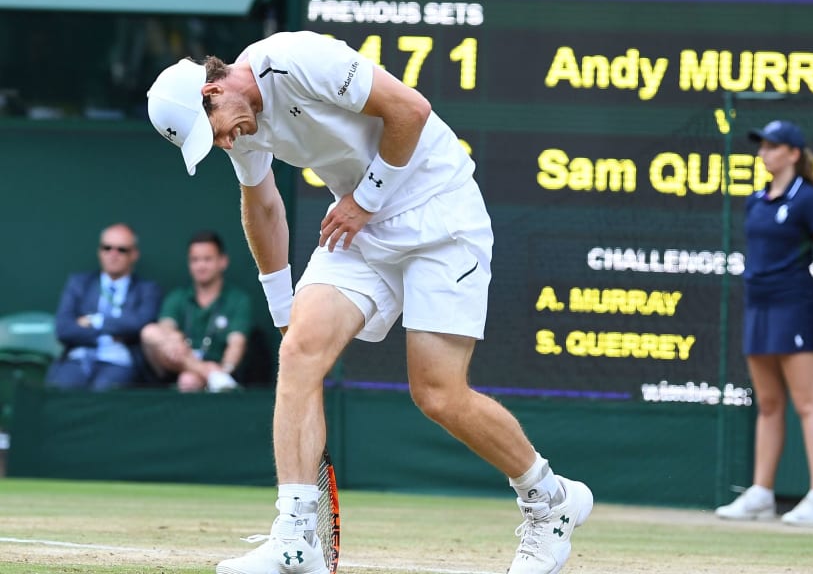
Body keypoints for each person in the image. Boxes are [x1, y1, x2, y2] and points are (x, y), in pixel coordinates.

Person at [145, 30, 592, 574]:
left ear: (213, 91)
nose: (221, 143)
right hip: (360, 233)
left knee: (438, 394)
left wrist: (364, 200)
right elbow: (262, 208)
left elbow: (410, 109)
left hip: (441, 216)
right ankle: (295, 539)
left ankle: (551, 501)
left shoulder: (295, 60)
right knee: (299, 354)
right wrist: (283, 308)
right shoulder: (242, 130)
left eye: (211, 131)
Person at [715, 120, 813, 527]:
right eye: (762, 147)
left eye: (773, 146)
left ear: (793, 153)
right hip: (758, 306)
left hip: (795, 307)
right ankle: (761, 494)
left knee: (808, 403)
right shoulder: (755, 200)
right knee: (769, 404)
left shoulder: (808, 200)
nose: (764, 153)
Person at [47, 223, 163, 390]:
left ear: (134, 254)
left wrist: (95, 320)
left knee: (103, 394)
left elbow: (140, 324)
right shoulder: (79, 283)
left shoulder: (147, 289)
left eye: (121, 249)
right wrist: (116, 330)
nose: (113, 255)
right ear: (99, 251)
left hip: (120, 361)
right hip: (78, 357)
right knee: (60, 389)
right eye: (107, 248)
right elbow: (64, 329)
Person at [140, 230, 253, 392]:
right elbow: (165, 327)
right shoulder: (178, 297)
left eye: (207, 259)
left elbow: (237, 343)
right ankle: (213, 376)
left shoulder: (238, 300)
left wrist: (225, 370)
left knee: (189, 380)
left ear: (223, 261)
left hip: (218, 368)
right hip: (177, 365)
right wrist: (174, 339)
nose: (200, 266)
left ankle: (217, 377)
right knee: (150, 332)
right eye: (195, 260)